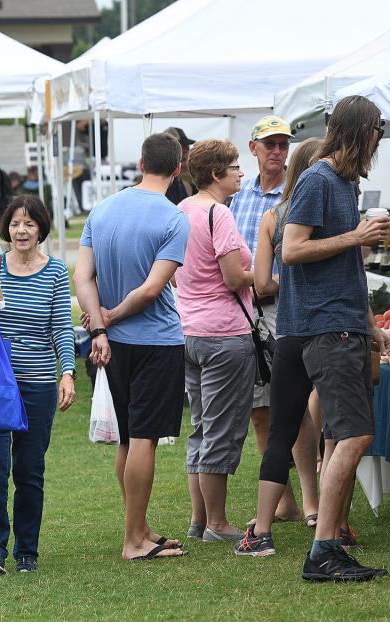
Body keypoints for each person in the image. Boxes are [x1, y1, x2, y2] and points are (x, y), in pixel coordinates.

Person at [239, 96, 390, 581]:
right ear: (359, 130)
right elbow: (293, 249)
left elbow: (346, 266)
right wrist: (356, 237)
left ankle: (330, 540)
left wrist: (368, 323)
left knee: (342, 434)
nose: (380, 139)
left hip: (339, 322)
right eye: (378, 129)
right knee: (351, 434)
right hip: (324, 328)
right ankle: (323, 547)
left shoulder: (344, 182)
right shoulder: (318, 180)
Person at [74, 132, 190, 561]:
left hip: (115, 344)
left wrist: (100, 328)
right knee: (144, 439)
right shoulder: (174, 218)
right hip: (155, 340)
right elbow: (152, 288)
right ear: (178, 169)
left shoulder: (101, 209)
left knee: (127, 438)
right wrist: (112, 317)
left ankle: (138, 528)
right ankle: (134, 541)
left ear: (140, 163)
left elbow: (82, 277)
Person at [0, 195, 77, 575]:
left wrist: (67, 372)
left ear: (41, 228)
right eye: (15, 223)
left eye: (30, 223)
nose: (22, 230)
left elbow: (62, 326)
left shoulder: (56, 272)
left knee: (29, 470)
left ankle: (27, 551)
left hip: (38, 383)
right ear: (6, 228)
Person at [235, 139, 325, 559]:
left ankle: (265, 526)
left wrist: (285, 284)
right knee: (331, 425)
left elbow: (261, 283)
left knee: (280, 423)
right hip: (324, 326)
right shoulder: (330, 210)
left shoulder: (273, 216)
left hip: (284, 327)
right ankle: (322, 516)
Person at [227, 115, 313, 522]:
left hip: (281, 307)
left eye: (283, 144)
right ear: (254, 149)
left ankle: (311, 499)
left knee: (294, 407)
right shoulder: (239, 195)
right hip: (244, 309)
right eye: (270, 144)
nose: (277, 151)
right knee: (261, 411)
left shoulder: (295, 195)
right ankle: (285, 501)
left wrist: (269, 281)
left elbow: (300, 257)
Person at [173, 138, 256, 543]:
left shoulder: (182, 210)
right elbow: (233, 277)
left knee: (201, 426)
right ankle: (217, 523)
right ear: (215, 174)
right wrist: (265, 275)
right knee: (222, 429)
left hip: (189, 331)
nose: (241, 172)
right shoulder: (217, 214)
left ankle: (198, 518)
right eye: (235, 166)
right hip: (224, 333)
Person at [163, 127, 196, 205]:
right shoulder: (159, 187)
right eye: (179, 147)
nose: (184, 151)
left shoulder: (187, 186)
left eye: (186, 147)